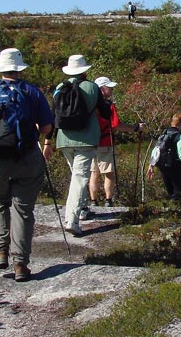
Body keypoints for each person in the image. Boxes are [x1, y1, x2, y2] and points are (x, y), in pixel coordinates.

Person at [0, 48, 54, 282]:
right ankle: (20, 265)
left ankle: (0, 252)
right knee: (23, 209)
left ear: (1, 68)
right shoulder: (32, 92)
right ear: (19, 68)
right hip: (26, 157)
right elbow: (47, 127)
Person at [53, 54, 105, 236]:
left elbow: (55, 114)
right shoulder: (92, 87)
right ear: (85, 70)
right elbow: (105, 113)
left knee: (77, 176)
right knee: (79, 178)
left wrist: (47, 141)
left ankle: (82, 209)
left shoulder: (60, 88)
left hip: (63, 139)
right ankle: (71, 220)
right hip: (86, 138)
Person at [89, 77, 144, 207]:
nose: (112, 89)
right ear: (102, 89)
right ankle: (108, 201)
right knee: (109, 173)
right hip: (105, 142)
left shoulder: (90, 104)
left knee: (94, 173)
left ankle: (93, 201)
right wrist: (134, 128)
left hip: (90, 143)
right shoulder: (108, 105)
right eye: (109, 87)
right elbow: (116, 125)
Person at [146, 112, 181, 200]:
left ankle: (172, 211)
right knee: (177, 190)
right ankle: (178, 210)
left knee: (170, 191)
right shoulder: (179, 135)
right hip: (174, 165)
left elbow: (156, 150)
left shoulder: (164, 134)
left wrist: (151, 166)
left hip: (162, 166)